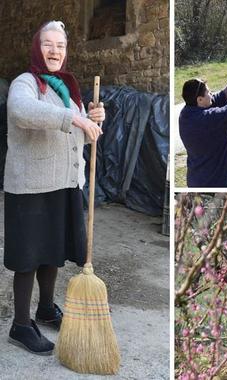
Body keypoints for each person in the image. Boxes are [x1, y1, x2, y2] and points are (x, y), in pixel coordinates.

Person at [4, 21, 104, 355]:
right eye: (48, 44)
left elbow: (75, 131)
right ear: (37, 48)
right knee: (28, 255)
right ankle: (20, 325)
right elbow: (21, 111)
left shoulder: (67, 89)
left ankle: (46, 308)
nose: (54, 51)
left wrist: (92, 117)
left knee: (53, 251)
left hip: (64, 183)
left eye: (60, 45)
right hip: (31, 185)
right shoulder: (26, 83)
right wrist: (75, 118)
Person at [179, 61, 227, 187]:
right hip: (217, 181)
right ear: (199, 99)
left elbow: (217, 99)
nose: (212, 95)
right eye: (209, 93)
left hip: (196, 179)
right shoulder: (210, 120)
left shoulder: (186, 113)